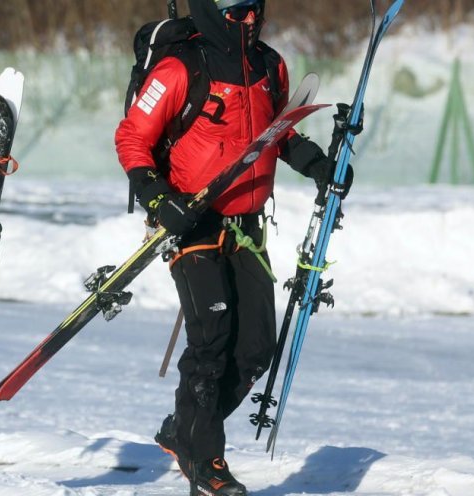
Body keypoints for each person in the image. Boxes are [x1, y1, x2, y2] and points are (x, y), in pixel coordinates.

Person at [115, 0, 352, 495]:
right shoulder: (181, 67)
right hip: (192, 223)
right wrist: (159, 200)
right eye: (239, 11)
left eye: (256, 10)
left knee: (256, 349)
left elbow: (276, 134)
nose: (251, 20)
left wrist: (315, 163)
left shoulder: (270, 65)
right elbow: (132, 137)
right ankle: (208, 464)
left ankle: (186, 431)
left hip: (247, 227)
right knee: (212, 343)